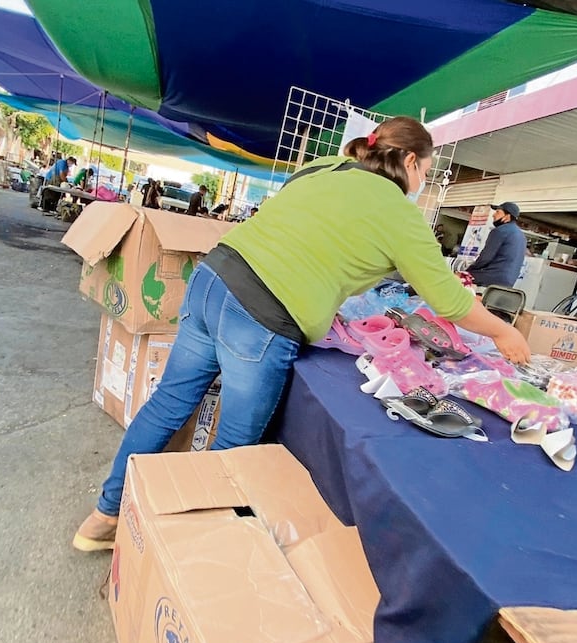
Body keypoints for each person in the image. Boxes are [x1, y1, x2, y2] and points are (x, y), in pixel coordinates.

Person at [73, 116, 531, 552]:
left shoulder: (325, 165)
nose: (423, 182)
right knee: (234, 443)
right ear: (411, 162)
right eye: (426, 172)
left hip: (212, 278)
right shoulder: (400, 213)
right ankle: (190, 558)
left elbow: (310, 229)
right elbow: (450, 302)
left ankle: (104, 518)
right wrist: (503, 332)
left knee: (169, 403)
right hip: (261, 316)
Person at [465, 202, 526, 287]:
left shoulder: (500, 230)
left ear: (507, 217)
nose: (493, 215)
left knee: (458, 278)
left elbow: (485, 257)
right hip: (509, 282)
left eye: (498, 212)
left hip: (492, 277)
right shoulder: (521, 235)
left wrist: (469, 269)